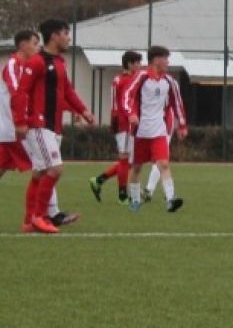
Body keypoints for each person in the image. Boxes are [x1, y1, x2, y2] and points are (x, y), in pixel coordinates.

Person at [12, 19, 96, 233]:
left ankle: (28, 221)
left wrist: (83, 110)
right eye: (66, 33)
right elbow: (21, 92)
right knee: (55, 169)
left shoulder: (59, 62)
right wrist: (20, 121)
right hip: (39, 124)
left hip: (53, 125)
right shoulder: (37, 62)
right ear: (54, 36)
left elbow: (67, 90)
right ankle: (40, 217)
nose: (68, 38)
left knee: (40, 173)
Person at [123, 46, 187, 213]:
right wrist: (131, 114)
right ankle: (135, 200)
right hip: (140, 132)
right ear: (156, 60)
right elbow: (127, 96)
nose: (168, 62)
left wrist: (182, 125)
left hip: (159, 131)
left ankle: (170, 200)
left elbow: (177, 104)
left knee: (163, 164)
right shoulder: (141, 77)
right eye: (165, 58)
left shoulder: (170, 82)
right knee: (137, 167)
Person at [90, 50, 143, 204]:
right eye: (137, 63)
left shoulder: (135, 79)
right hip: (123, 124)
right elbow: (114, 103)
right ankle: (122, 195)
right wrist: (115, 121)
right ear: (129, 63)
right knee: (125, 160)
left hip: (132, 124)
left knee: (129, 161)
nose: (139, 66)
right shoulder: (119, 80)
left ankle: (99, 180)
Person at [0, 32, 38, 185]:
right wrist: (20, 121)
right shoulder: (13, 64)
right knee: (47, 166)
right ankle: (49, 209)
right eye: (34, 43)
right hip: (14, 129)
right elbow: (17, 93)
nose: (38, 47)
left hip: (15, 129)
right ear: (23, 45)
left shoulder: (28, 67)